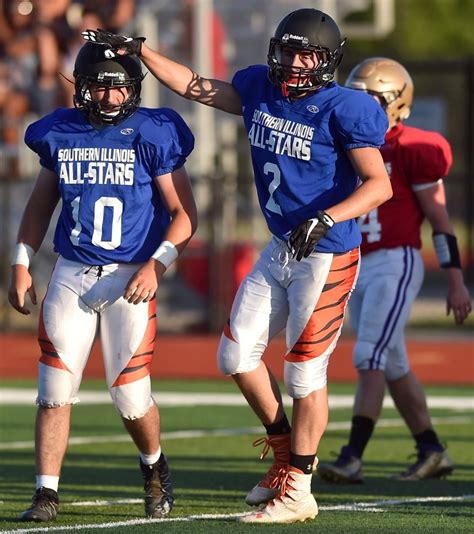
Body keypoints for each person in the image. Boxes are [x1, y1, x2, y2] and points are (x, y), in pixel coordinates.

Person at [82, 8, 392, 524]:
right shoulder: (260, 89)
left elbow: (378, 184)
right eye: (289, 50)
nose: (294, 61)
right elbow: (196, 87)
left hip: (327, 251)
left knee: (302, 372)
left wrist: (325, 217)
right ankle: (284, 450)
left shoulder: (345, 108)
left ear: (327, 61)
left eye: (306, 54)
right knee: (234, 356)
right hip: (281, 247)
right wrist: (140, 50)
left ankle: (300, 489)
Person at [8, 41, 197, 522]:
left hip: (131, 275)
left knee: (130, 398)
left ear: (134, 89)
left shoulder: (154, 133)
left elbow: (183, 214)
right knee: (54, 389)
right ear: (81, 88)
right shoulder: (59, 133)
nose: (111, 99)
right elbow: (39, 205)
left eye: (119, 89)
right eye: (99, 87)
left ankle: (153, 467)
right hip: (72, 272)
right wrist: (22, 261)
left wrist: (157, 264)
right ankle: (45, 493)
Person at [317, 57, 472, 484]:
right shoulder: (343, 141)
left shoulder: (414, 147)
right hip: (355, 262)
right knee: (393, 363)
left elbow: (440, 222)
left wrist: (456, 281)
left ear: (396, 103)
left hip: (394, 261)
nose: (360, 107)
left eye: (371, 100)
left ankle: (352, 456)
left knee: (369, 355)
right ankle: (431, 449)